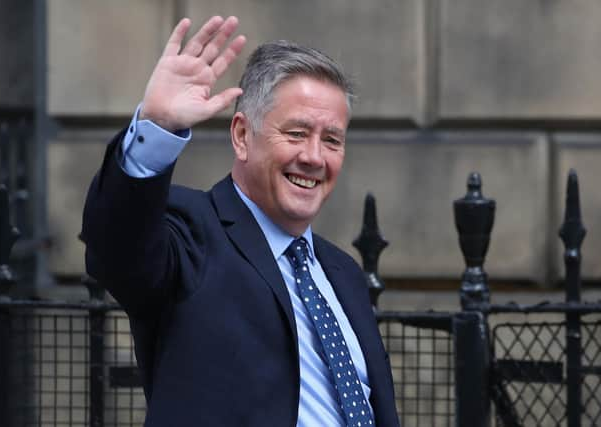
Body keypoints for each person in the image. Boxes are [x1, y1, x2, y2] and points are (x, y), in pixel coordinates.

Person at [81, 15, 399, 427]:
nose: (315, 157)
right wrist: (158, 128)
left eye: (332, 140)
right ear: (242, 136)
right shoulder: (190, 233)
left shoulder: (343, 274)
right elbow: (116, 250)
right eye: (297, 133)